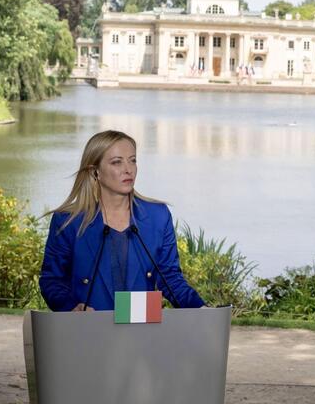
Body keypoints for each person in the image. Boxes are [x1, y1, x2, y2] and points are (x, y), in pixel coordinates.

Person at [39, 129, 204, 311]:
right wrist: (70, 307)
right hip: (88, 331)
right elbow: (52, 280)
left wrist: (200, 308)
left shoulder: (158, 216)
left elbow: (171, 278)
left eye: (132, 160)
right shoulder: (67, 221)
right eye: (117, 162)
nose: (128, 169)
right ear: (95, 172)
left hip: (142, 330)